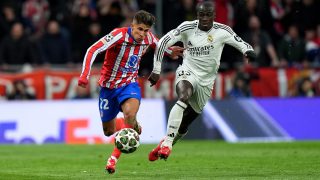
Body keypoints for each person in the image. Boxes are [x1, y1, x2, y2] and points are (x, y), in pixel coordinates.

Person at [77, 10, 184, 174]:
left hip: (129, 84)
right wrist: (85, 74)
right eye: (140, 29)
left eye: (146, 30)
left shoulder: (148, 38)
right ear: (132, 25)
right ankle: (130, 124)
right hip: (108, 88)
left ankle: (113, 159)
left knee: (129, 114)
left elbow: (158, 46)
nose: (143, 34)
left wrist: (170, 52)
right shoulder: (118, 35)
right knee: (108, 132)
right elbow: (93, 49)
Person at [147, 1, 256, 161]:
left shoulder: (223, 30)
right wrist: (157, 70)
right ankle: (167, 144)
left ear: (214, 15)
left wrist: (248, 51)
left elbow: (241, 43)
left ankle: (166, 143)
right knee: (183, 96)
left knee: (184, 125)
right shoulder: (187, 27)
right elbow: (163, 42)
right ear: (197, 15)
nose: (204, 18)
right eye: (201, 15)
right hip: (188, 71)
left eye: (208, 15)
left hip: (207, 81)